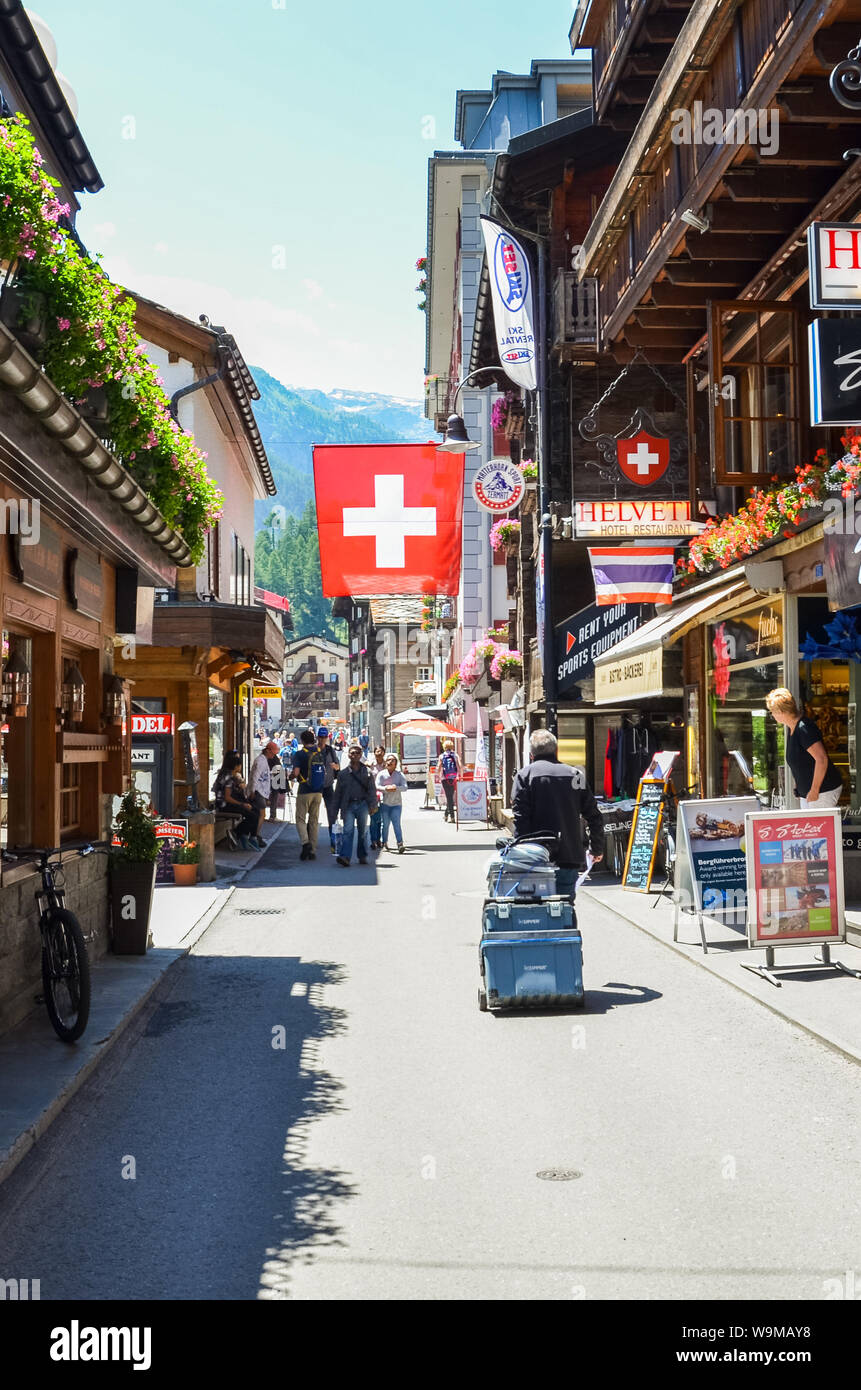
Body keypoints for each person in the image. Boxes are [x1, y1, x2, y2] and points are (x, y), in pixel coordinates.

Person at [511, 729, 604, 900]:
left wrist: (520, 853)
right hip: (568, 854)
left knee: (534, 908)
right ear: (556, 750)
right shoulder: (575, 774)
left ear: (531, 754)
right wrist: (596, 847)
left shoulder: (524, 776)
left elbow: (520, 818)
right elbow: (594, 815)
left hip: (534, 856)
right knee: (564, 907)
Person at [766, 687, 843, 809]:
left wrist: (814, 790)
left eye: (772, 712)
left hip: (822, 791)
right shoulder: (792, 728)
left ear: (781, 712)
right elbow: (801, 761)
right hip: (809, 793)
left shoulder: (803, 728)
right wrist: (799, 786)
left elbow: (821, 759)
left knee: (818, 827)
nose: (773, 715)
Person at [332, 744, 377, 867]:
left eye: (357, 753)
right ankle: (345, 857)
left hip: (363, 804)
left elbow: (372, 790)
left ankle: (362, 855)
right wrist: (334, 811)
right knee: (348, 831)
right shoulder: (343, 774)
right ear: (348, 755)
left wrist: (373, 805)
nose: (355, 755)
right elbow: (338, 794)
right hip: (348, 806)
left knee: (362, 832)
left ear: (361, 755)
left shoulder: (367, 772)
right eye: (352, 753)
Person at [291, 728, 326, 860]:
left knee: (300, 818)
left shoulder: (300, 754)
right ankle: (312, 850)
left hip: (304, 790)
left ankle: (305, 843)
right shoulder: (320, 752)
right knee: (314, 820)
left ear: (302, 741)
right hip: (318, 791)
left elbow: (295, 773)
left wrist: (290, 777)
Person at [212, 752, 258, 852]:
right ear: (236, 766)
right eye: (240, 765)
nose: (241, 767)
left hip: (225, 804)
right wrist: (242, 804)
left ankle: (246, 835)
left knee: (255, 811)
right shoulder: (228, 777)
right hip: (225, 805)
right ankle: (239, 833)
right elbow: (227, 797)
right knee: (253, 815)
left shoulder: (227, 775)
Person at [316, 726, 342, 852]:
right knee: (313, 814)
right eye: (320, 737)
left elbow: (338, 767)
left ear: (327, 738)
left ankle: (333, 840)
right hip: (314, 786)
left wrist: (335, 766)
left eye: (324, 737)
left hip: (327, 786)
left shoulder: (330, 750)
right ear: (317, 737)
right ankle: (311, 840)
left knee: (332, 813)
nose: (322, 739)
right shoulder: (312, 750)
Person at [248, 741, 278, 848]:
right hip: (258, 791)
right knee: (261, 815)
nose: (273, 755)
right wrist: (252, 790)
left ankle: (255, 835)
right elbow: (255, 776)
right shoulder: (261, 761)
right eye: (273, 753)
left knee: (259, 815)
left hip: (260, 791)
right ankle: (254, 836)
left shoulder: (263, 760)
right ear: (268, 750)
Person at [376, 752, 408, 853]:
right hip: (385, 803)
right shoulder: (381, 774)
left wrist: (396, 787)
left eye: (392, 760)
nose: (390, 762)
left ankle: (400, 843)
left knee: (396, 824)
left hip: (396, 804)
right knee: (385, 824)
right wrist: (386, 788)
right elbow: (376, 786)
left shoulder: (399, 775)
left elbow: (405, 787)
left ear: (396, 763)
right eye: (388, 760)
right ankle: (384, 842)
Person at [436, 738, 461, 822]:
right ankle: (446, 815)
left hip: (445, 779)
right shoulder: (455, 755)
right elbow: (460, 766)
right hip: (454, 778)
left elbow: (439, 767)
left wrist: (438, 775)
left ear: (444, 747)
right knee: (450, 796)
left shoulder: (442, 756)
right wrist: (460, 775)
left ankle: (452, 817)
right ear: (452, 746)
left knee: (449, 797)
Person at [368, 745, 387, 849]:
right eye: (377, 751)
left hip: (384, 794)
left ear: (384, 753)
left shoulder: (386, 764)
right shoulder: (371, 765)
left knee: (380, 819)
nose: (379, 753)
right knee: (373, 818)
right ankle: (373, 840)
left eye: (381, 751)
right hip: (373, 794)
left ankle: (379, 839)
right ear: (374, 753)